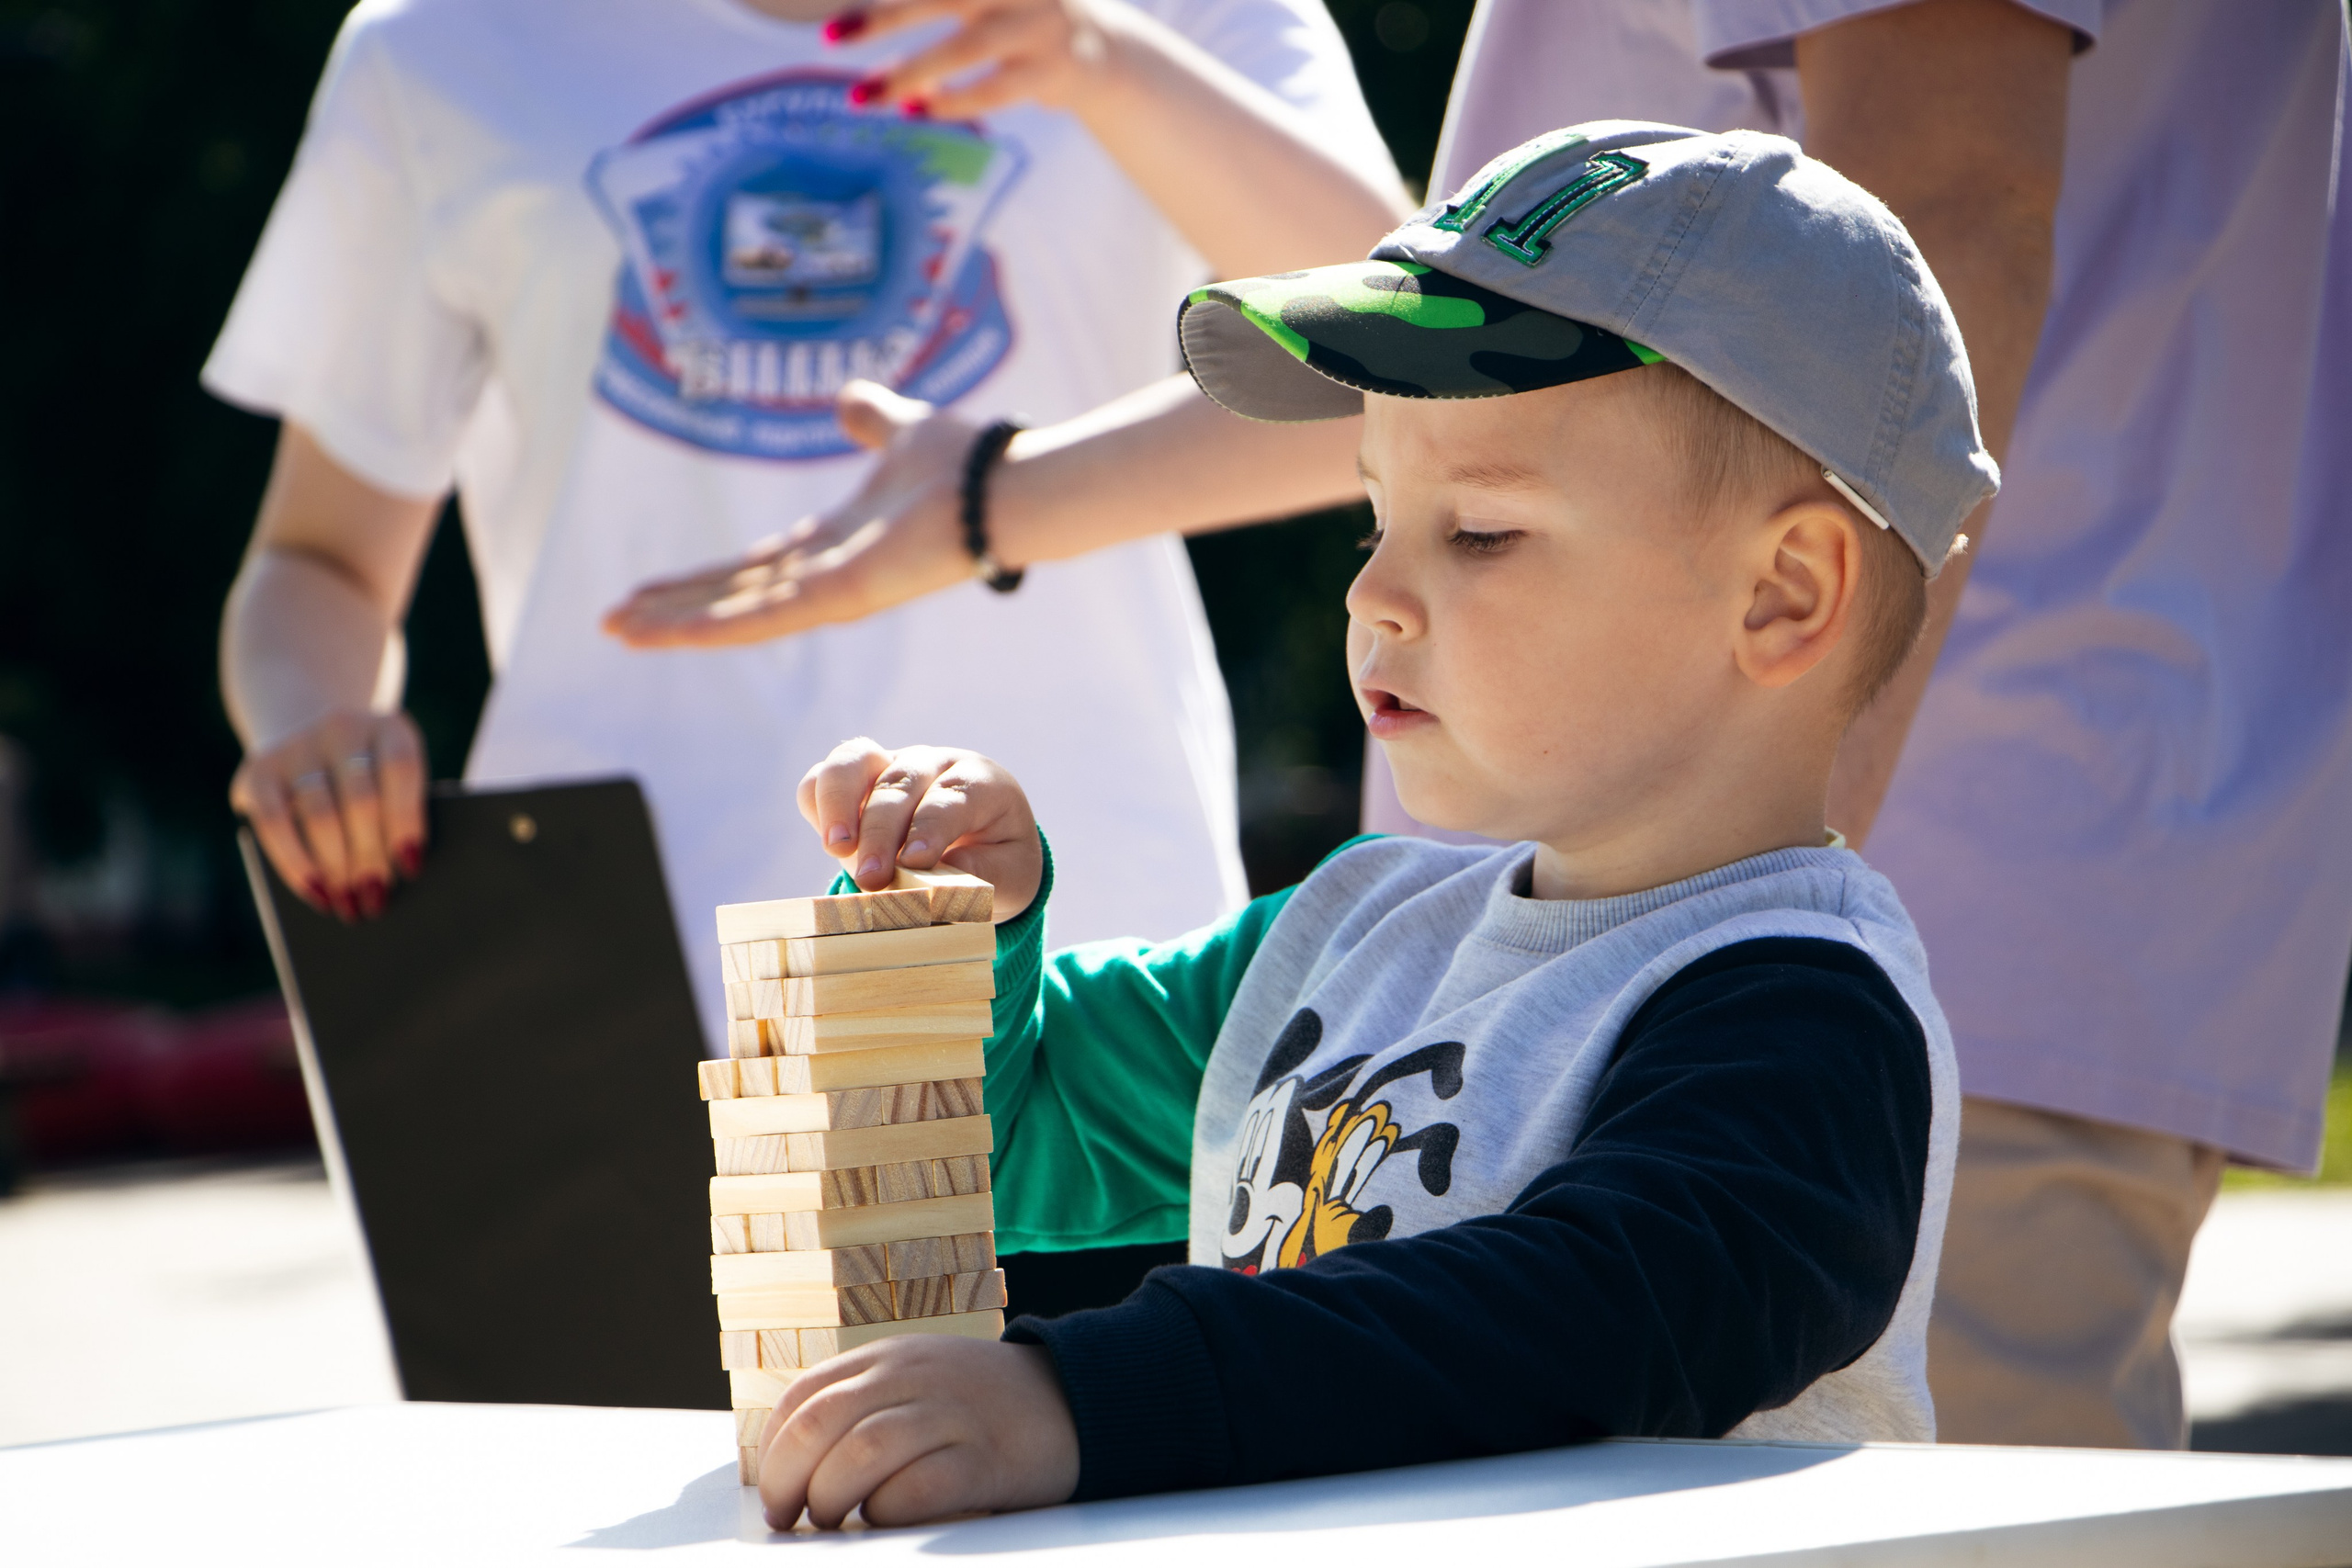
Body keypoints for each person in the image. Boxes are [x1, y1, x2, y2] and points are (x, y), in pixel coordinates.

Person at [741, 121, 1997, 1528]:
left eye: (1480, 533)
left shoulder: (1805, 1011)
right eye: (1374, 520)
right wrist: (951, 942)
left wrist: (1089, 1398)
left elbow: (1589, 1321)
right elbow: (1003, 1140)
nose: (1371, 597)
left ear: (1782, 595)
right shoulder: (1347, 934)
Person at [1397, 0, 2352, 1450]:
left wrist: (1731, 902)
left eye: (1474, 534)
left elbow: (1952, 191)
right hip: (1996, 858)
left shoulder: (1754, 954)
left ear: (1797, 592)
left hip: (1933, 900)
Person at [210, 0, 1407, 1043]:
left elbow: (1409, 361)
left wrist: (1096, 54)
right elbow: (316, 562)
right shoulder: (437, 46)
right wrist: (313, 730)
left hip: (1089, 968)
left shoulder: (1175, 11)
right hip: (603, 998)